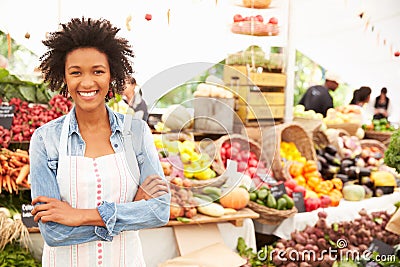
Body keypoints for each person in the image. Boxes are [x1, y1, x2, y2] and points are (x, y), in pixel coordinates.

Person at [29, 17, 170, 266]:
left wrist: (79, 216)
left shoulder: (136, 133)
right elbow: (54, 233)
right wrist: (131, 212)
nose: (86, 82)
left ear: (111, 75)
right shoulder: (44, 139)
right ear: (63, 77)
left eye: (98, 71)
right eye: (75, 72)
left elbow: (159, 211)